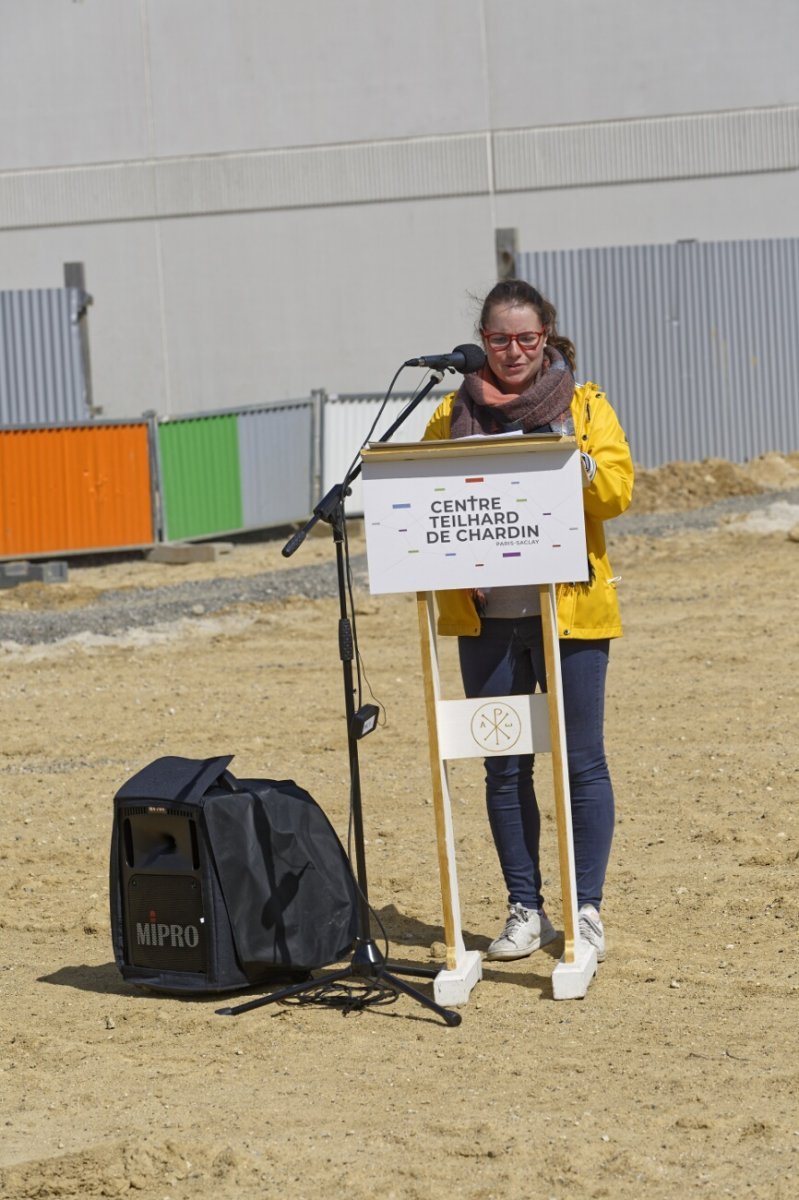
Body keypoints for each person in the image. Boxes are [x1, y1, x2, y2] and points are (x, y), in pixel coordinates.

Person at [423, 279, 634, 964]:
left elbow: (618, 490)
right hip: (486, 618)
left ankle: (585, 909)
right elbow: (421, 494)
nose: (512, 352)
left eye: (525, 339)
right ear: (479, 342)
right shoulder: (450, 412)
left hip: (568, 614)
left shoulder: (581, 406)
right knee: (503, 766)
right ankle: (525, 908)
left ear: (546, 337)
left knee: (580, 762)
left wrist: (567, 465)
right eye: (498, 340)